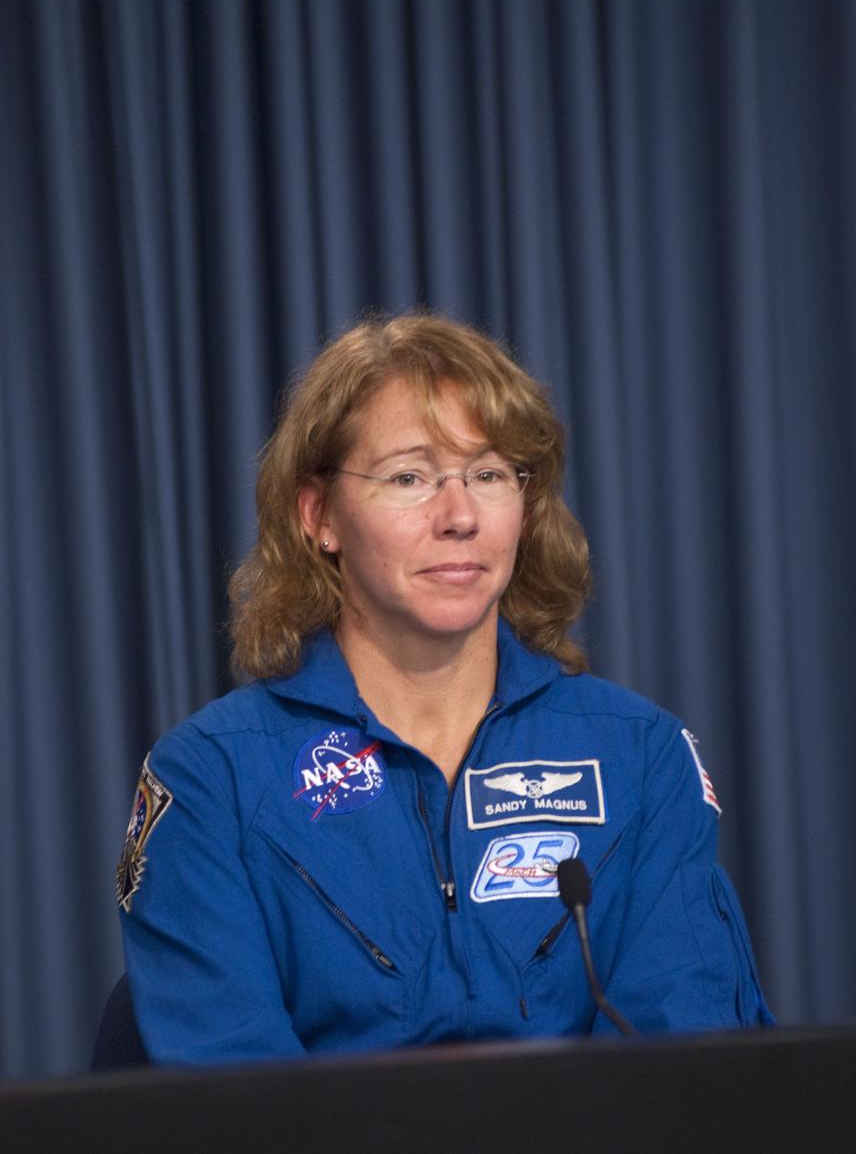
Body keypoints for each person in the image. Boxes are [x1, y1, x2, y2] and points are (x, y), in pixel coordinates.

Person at [116, 311, 772, 1065]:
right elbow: (238, 1113)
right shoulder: (211, 780)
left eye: (490, 474)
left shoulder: (643, 757)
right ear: (319, 515)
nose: (459, 515)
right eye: (410, 477)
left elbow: (692, 1073)